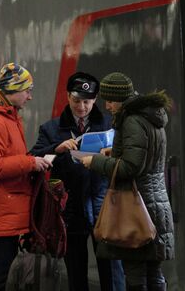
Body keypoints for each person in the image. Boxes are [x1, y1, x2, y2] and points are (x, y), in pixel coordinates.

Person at [31, 71, 125, 291]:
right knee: (76, 271)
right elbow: (33, 158)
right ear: (67, 97)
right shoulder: (52, 129)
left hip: (104, 203)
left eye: (87, 102)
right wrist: (57, 148)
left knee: (111, 270)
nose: (81, 107)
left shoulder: (109, 126)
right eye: (76, 101)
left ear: (94, 100)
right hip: (70, 207)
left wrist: (110, 154)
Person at [81, 72, 174, 291]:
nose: (107, 106)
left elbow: (130, 168)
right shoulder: (150, 117)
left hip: (136, 209)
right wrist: (115, 152)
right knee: (153, 273)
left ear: (120, 99)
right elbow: (146, 156)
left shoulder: (132, 120)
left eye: (110, 100)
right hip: (155, 203)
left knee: (135, 275)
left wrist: (94, 162)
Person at [0, 62, 52, 291]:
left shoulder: (8, 118)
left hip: (7, 211)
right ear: (14, 90)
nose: (29, 97)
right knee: (1, 277)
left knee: (8, 276)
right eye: (27, 91)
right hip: (0, 213)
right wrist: (30, 162)